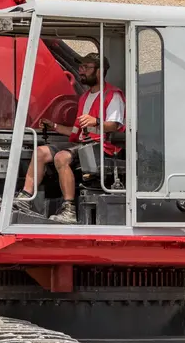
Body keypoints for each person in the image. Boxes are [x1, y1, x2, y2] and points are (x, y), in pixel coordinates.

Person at [15, 52, 125, 224]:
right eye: (80, 67)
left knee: (62, 157)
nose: (81, 71)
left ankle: (69, 210)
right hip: (84, 145)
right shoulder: (84, 98)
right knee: (40, 152)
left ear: (99, 70)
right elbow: (75, 131)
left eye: (86, 67)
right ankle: (25, 198)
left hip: (103, 148)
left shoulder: (113, 95)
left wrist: (96, 121)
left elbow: (115, 125)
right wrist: (54, 126)